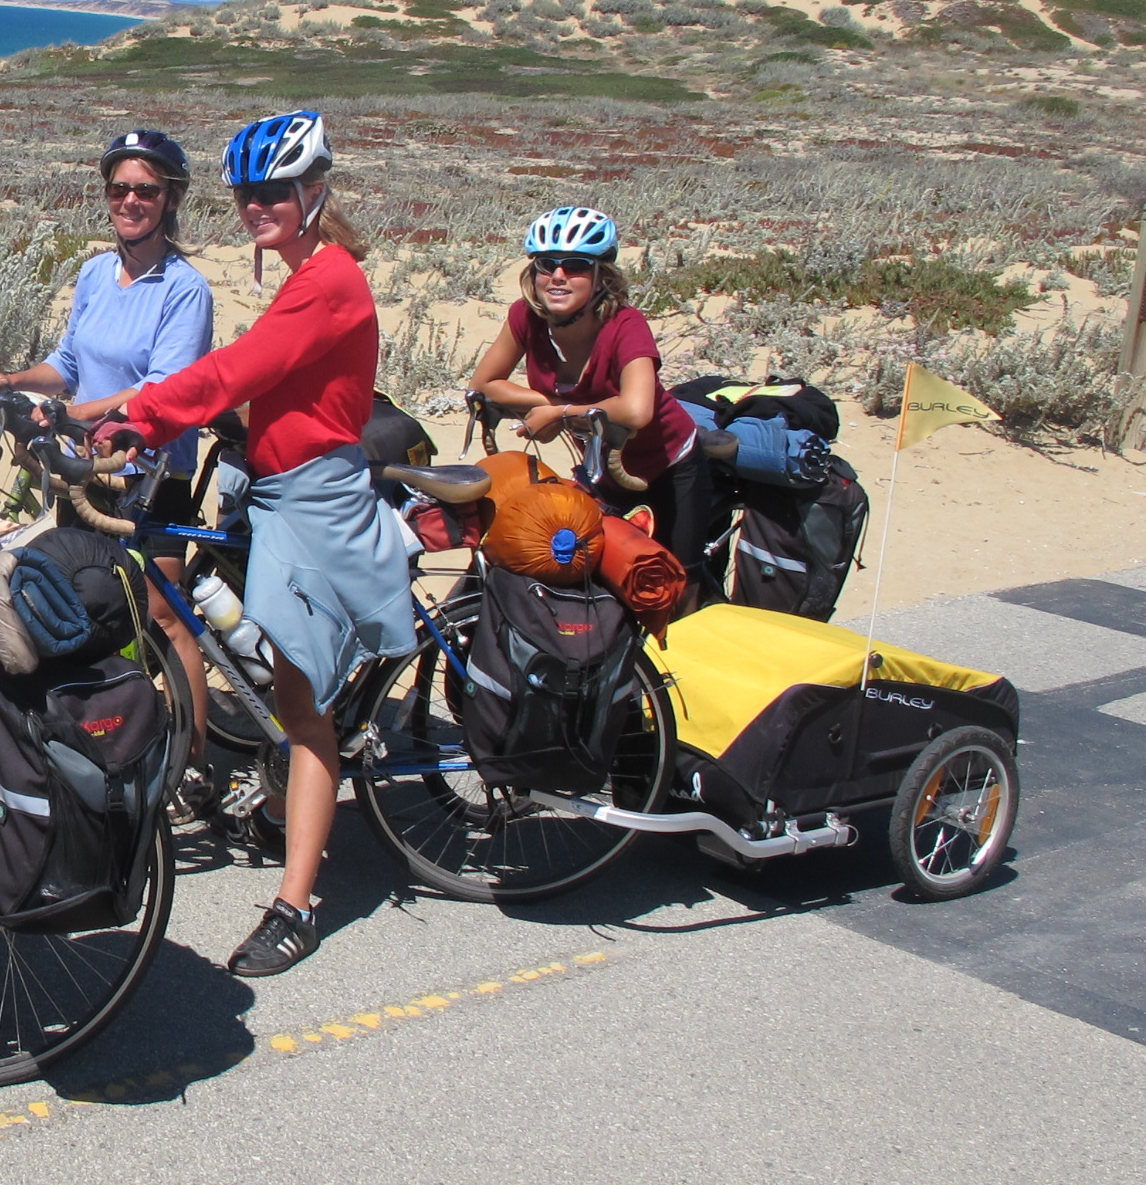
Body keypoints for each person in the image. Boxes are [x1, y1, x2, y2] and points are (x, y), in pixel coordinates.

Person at [96, 111, 412, 979]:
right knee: (243, 635)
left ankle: (297, 904)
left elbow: (244, 365)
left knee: (307, 713)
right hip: (272, 486)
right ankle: (267, 782)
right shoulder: (307, 270)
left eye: (274, 191)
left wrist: (143, 413)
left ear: (314, 191)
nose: (255, 207)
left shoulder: (331, 278)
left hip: (313, 501)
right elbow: (273, 376)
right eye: (246, 194)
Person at [0, 129, 217, 753]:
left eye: (146, 191)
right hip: (85, 471)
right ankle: (103, 739)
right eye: (119, 188)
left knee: (162, 616)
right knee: (85, 604)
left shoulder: (185, 289)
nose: (131, 201)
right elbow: (68, 360)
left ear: (171, 198)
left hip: (149, 471)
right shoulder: (97, 272)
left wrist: (70, 412)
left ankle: (191, 762)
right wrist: (15, 379)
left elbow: (161, 386)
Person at [467, 206, 717, 598]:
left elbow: (637, 410)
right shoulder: (525, 318)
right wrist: (547, 401)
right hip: (604, 469)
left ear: (602, 276)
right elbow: (484, 382)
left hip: (671, 466)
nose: (559, 276)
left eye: (576, 266)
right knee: (593, 572)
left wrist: (561, 413)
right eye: (547, 264)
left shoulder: (625, 325)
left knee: (675, 584)